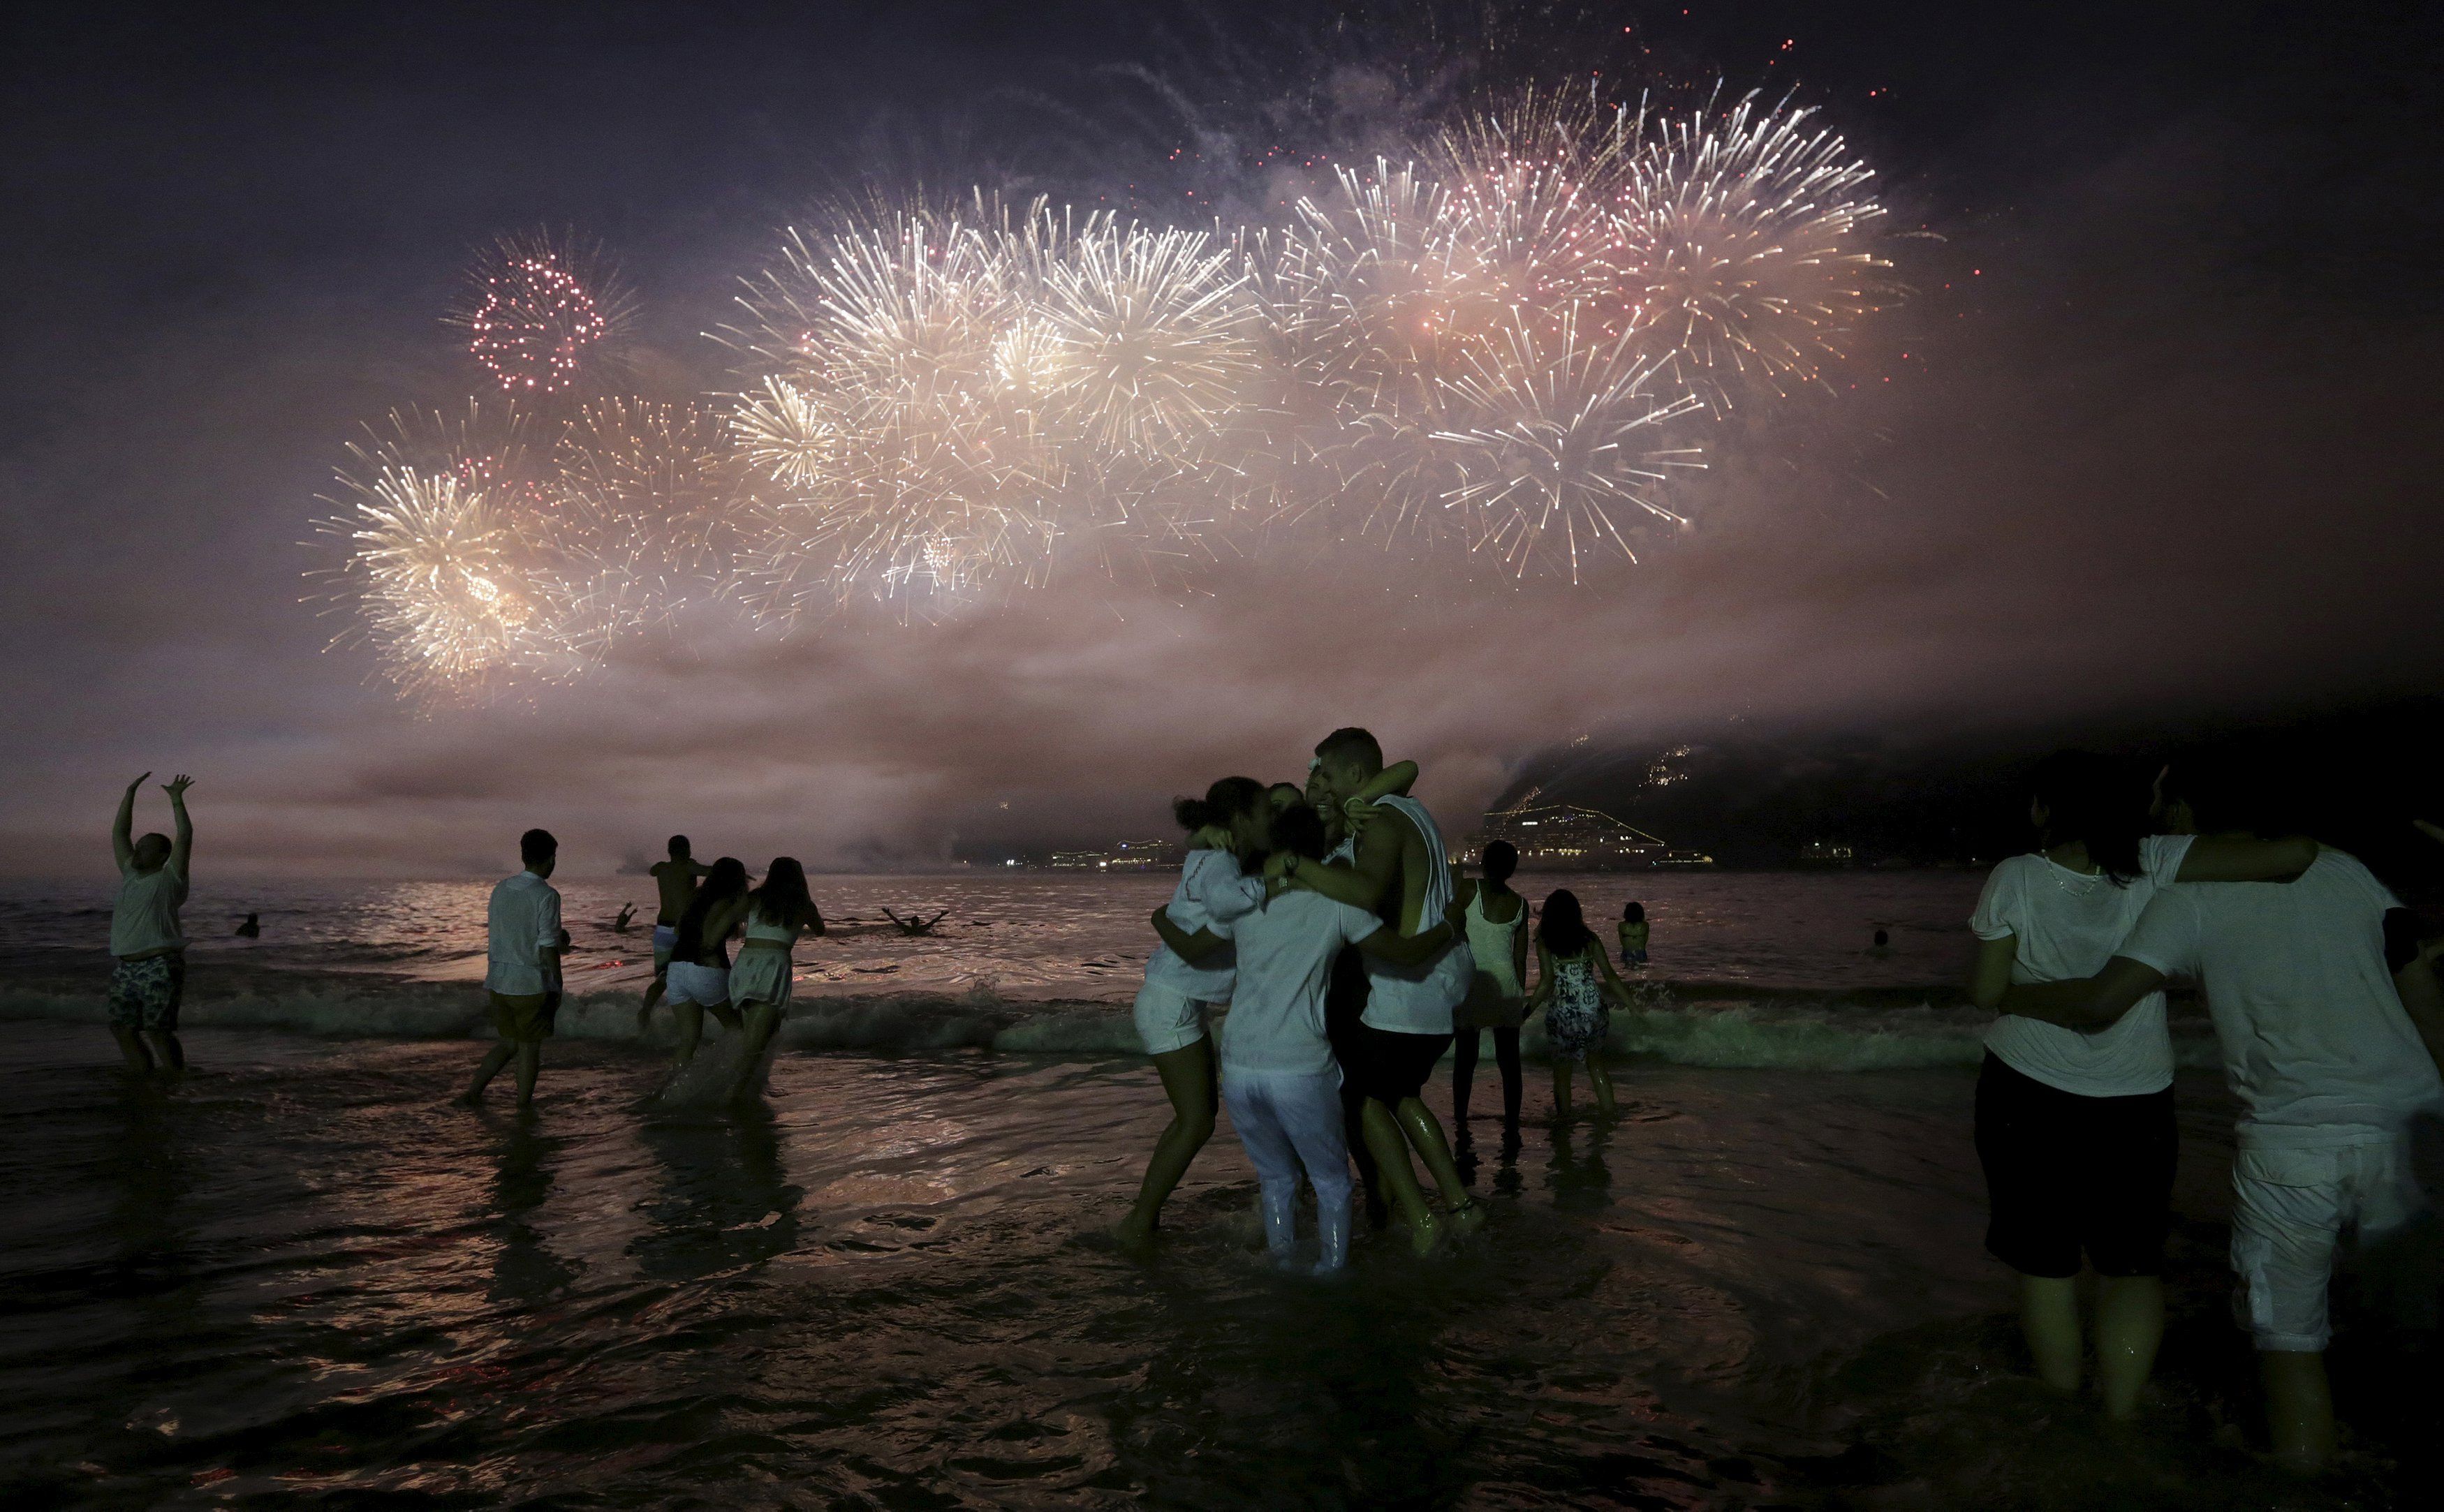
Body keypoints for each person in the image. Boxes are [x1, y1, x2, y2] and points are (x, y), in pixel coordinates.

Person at [1996, 750, 2443, 1471]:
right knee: (2414, 1331)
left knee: (2291, 1346)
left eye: (2163, 802)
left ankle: (2305, 1480)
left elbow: (2099, 1003)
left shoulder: (2187, 897)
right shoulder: (2340, 868)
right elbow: (2414, 977)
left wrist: (2003, 994)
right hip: (2414, 1129)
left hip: (2293, 1142)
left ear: (2184, 813)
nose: (2157, 813)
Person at [1964, 750, 2317, 1419]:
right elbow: (2294, 855)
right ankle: (2123, 1417)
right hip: (2136, 1098)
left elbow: (1986, 991)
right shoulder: (2157, 862)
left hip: (2025, 1090)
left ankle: (2065, 1411)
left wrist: (2026, 994)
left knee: (2047, 1266)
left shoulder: (2014, 876)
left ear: (2044, 809)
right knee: (2131, 1264)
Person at [1154, 801, 1465, 1273]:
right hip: (1299, 1066)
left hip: (1238, 1065)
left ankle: (1282, 1268)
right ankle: (1331, 1278)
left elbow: (1195, 944)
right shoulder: (1337, 905)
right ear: (1318, 848)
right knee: (1331, 1183)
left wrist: (1160, 916)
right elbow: (1402, 953)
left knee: (1276, 1178)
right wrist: (1449, 925)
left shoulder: (1245, 897)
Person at [1281, 729, 1484, 1252]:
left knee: (1364, 1100)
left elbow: (1367, 891)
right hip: (1442, 977)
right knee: (1399, 1094)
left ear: (1353, 777)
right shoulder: (1407, 808)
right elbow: (1407, 767)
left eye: (1325, 773)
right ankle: (1460, 1206)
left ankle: (1421, 1220)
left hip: (1408, 985)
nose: (1318, 783)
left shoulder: (1381, 823)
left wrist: (1291, 869)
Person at [1114, 778, 1271, 1251]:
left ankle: (1144, 1217)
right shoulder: (1222, 863)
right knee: (1196, 1121)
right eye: (1263, 812)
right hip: (1171, 1001)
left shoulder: (1214, 855)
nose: (1271, 821)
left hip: (1176, 999)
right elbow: (1218, 916)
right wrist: (1276, 883)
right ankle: (1140, 1221)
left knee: (1193, 1118)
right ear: (1239, 818)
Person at [458, 829, 563, 1109]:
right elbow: (548, 947)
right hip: (529, 983)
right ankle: (523, 1109)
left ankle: (473, 1093)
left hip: (499, 981)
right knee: (529, 1049)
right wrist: (557, 986)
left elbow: (505, 931)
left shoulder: (501, 889)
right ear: (551, 858)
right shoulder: (547, 895)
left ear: (524, 856)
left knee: (510, 1043)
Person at [108, 772, 193, 1074]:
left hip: (160, 964)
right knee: (123, 1030)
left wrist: (176, 800)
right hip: (126, 967)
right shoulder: (131, 875)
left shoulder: (171, 878)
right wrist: (130, 793)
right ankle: (141, 1083)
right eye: (138, 846)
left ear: (163, 856)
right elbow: (120, 833)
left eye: (145, 847)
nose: (137, 851)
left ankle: (173, 1084)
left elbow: (184, 836)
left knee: (158, 1032)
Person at [1526, 889, 1633, 1120]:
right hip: (1594, 1007)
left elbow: (1546, 983)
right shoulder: (1589, 939)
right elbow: (1611, 976)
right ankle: (1609, 1114)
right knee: (1596, 1065)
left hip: (1563, 1011)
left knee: (1563, 1072)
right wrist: (1633, 1008)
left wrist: (1525, 1011)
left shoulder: (1546, 942)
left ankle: (1564, 1120)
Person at [1450, 840, 1530, 1138]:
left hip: (1473, 982)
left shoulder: (1469, 890)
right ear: (1512, 869)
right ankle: (1512, 1123)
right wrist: (1519, 996)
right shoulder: (1521, 904)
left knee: (1465, 1059)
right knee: (1509, 1063)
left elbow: (1449, 925)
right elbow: (1520, 959)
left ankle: (1460, 1120)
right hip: (1506, 987)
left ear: (1484, 862)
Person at [727, 857, 827, 1094]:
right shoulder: (803, 904)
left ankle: (755, 1085)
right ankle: (734, 1096)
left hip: (746, 962)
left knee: (768, 1030)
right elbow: (820, 930)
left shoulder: (755, 899)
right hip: (773, 966)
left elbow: (733, 917)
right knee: (755, 1043)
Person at [663, 857, 750, 1069]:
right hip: (705, 968)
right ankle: (733, 1080)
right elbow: (710, 941)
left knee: (689, 1040)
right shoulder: (727, 902)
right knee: (737, 1031)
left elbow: (677, 930)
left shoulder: (696, 897)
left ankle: (677, 1087)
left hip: (676, 970)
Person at [638, 837, 712, 1035]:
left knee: (663, 978)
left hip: (662, 929)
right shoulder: (689, 868)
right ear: (687, 850)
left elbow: (652, 870)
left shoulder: (662, 869)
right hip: (682, 930)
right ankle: (692, 1023)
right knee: (693, 975)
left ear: (669, 851)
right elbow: (711, 872)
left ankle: (645, 1011)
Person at [1617, 901, 1649, 968]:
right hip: (1641, 954)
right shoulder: (1645, 925)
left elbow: (1622, 941)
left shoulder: (1621, 926)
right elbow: (1645, 941)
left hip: (1627, 953)